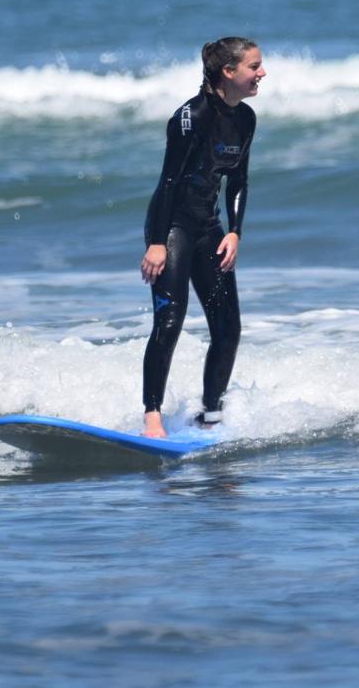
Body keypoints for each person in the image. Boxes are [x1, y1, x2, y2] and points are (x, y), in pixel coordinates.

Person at [139, 37, 265, 437]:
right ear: (229, 72)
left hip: (210, 229)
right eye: (254, 66)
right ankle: (152, 416)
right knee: (170, 321)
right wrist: (157, 242)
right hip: (172, 228)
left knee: (228, 328)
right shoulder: (189, 118)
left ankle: (210, 416)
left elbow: (239, 180)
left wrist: (235, 232)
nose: (262, 73)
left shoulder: (245, 119)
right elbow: (169, 182)